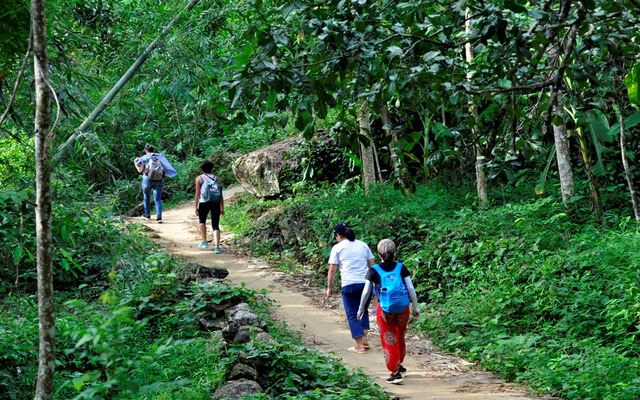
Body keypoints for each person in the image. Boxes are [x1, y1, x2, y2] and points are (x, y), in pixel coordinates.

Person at [357, 239, 420, 384]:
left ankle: (395, 372)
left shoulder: (374, 270)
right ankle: (400, 364)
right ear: (394, 252)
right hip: (403, 308)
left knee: (389, 337)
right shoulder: (401, 267)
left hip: (385, 309)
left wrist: (361, 309)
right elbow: (410, 289)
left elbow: (366, 291)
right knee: (400, 335)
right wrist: (415, 307)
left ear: (378, 254)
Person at [327, 222, 375, 354]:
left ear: (337, 235)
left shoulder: (337, 248)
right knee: (363, 310)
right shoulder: (363, 245)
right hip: (366, 283)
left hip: (349, 284)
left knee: (352, 314)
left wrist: (329, 287)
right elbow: (372, 265)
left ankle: (359, 346)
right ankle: (364, 340)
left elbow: (332, 270)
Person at [134, 143, 177, 223]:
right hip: (158, 179)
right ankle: (159, 217)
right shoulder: (160, 157)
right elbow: (166, 168)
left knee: (146, 196)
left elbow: (139, 170)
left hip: (147, 178)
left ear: (146, 151)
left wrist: (135, 162)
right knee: (157, 199)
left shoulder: (144, 158)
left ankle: (147, 215)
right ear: (154, 150)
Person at [194, 160, 225, 253]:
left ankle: (204, 241)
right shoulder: (216, 179)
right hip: (215, 202)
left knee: (202, 221)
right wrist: (222, 207)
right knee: (215, 225)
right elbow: (220, 194)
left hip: (204, 201)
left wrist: (195, 206)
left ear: (201, 169)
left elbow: (198, 193)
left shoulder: (199, 178)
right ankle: (217, 247)